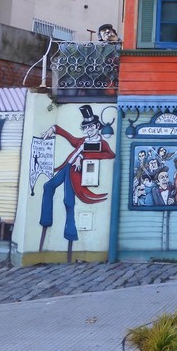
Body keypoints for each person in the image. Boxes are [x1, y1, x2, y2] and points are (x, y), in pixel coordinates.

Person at [38, 105, 115, 252]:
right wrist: (52, 129)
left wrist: (83, 156)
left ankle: (70, 234)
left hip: (75, 172)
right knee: (48, 186)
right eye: (86, 127)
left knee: (68, 202)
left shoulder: (102, 143)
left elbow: (110, 155)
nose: (88, 130)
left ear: (97, 126)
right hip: (66, 167)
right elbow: (68, 136)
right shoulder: (81, 141)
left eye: (91, 126)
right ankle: (46, 221)